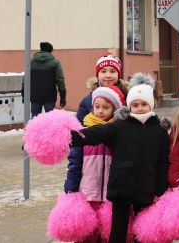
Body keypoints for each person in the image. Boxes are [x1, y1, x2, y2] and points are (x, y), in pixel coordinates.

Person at [69, 73, 169, 243]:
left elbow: (163, 162)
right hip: (121, 187)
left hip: (146, 188)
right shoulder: (120, 126)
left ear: (151, 105)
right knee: (118, 230)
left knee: (142, 231)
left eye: (144, 104)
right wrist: (69, 136)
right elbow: (95, 133)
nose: (139, 108)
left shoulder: (159, 131)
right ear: (129, 106)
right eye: (135, 104)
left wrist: (160, 189)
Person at [64, 85, 125, 242]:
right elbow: (75, 163)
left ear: (114, 110)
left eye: (106, 107)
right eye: (97, 106)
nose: (100, 111)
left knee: (108, 235)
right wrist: (71, 188)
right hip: (87, 194)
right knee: (87, 236)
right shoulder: (83, 132)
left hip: (110, 197)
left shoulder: (118, 133)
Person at [76, 53, 129, 123]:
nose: (108, 75)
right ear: (97, 75)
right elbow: (78, 125)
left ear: (118, 75)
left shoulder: (128, 97)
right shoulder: (88, 100)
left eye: (112, 71)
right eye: (103, 71)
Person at [28, 42, 66, 117]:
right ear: (50, 51)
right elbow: (60, 81)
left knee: (35, 119)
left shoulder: (31, 62)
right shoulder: (55, 63)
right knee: (50, 119)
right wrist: (63, 97)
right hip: (50, 96)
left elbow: (26, 79)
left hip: (35, 95)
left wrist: (23, 94)